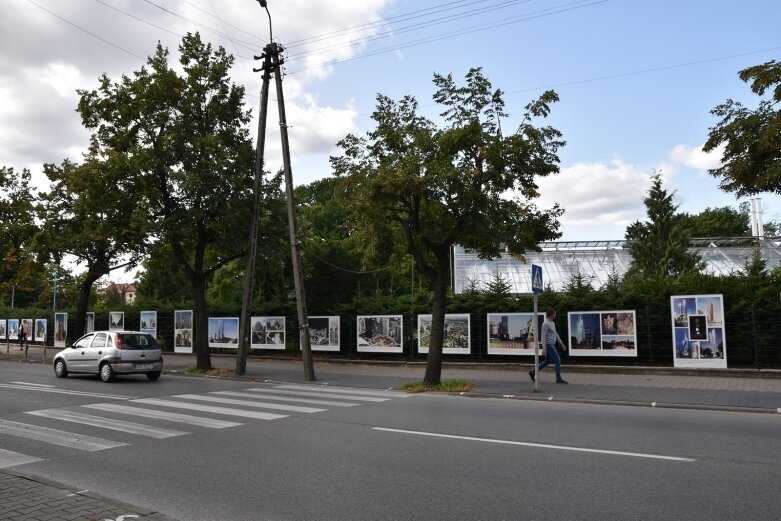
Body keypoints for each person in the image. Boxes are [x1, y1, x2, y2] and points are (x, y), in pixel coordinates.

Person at [529, 309, 568, 384]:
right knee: (558, 360)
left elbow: (555, 334)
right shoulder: (545, 324)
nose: (555, 315)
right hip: (549, 344)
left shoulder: (552, 323)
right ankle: (558, 378)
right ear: (552, 315)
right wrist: (544, 348)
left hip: (552, 344)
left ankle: (533, 372)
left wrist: (562, 344)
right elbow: (543, 336)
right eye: (555, 314)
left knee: (547, 361)